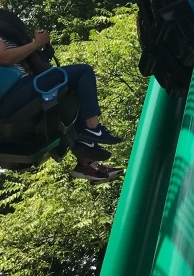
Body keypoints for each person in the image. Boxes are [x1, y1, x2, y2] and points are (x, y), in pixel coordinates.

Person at [0, 22, 122, 184]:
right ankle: (93, 129)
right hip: (13, 93)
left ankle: (86, 162)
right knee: (82, 72)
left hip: (19, 90)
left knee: (69, 96)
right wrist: (36, 43)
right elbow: (4, 57)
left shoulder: (9, 36)